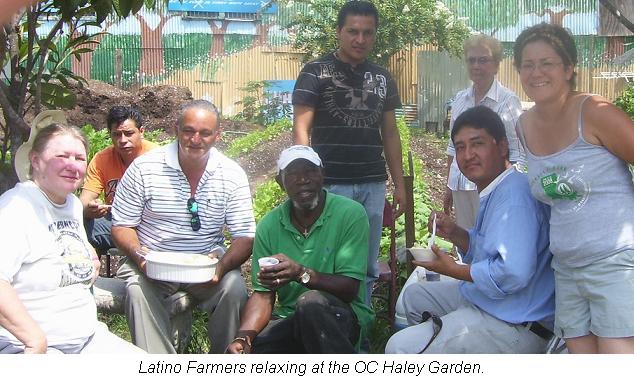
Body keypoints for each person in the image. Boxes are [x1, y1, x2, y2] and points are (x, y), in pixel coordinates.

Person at [385, 106, 554, 353]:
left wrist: (454, 270)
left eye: (477, 144)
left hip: (515, 323)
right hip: (496, 301)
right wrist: (456, 234)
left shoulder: (514, 197)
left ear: (503, 146)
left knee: (398, 347)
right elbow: (491, 250)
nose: (467, 155)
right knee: (414, 298)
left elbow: (514, 273)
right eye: (460, 147)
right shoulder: (497, 188)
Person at [514, 23, 634, 354]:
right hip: (566, 268)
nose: (536, 72)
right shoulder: (523, 126)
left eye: (547, 63)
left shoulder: (594, 112)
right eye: (527, 64)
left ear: (569, 68)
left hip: (615, 262)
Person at [111, 100, 256, 354]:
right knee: (136, 290)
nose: (195, 139)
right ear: (176, 130)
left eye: (205, 133)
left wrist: (221, 267)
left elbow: (244, 236)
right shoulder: (145, 168)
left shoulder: (231, 174)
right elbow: (122, 225)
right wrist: (140, 254)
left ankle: (226, 364)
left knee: (233, 287)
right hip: (152, 267)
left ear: (217, 136)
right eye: (188, 131)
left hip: (205, 269)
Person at [292, 0, 405, 304]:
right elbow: (301, 129)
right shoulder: (315, 72)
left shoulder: (383, 78)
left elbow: (391, 134)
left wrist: (401, 185)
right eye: (353, 31)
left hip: (372, 182)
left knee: (366, 266)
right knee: (325, 262)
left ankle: (361, 333)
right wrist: (304, 179)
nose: (360, 39)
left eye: (368, 33)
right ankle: (322, 328)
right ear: (340, 32)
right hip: (330, 183)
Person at [0, 122, 142, 354]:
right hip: (30, 347)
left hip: (87, 338)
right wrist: (34, 340)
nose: (72, 165)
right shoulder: (16, 207)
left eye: (79, 158)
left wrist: (88, 255)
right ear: (35, 161)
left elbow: (61, 244)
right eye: (62, 156)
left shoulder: (71, 204)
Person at [226, 145, 374, 354]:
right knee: (254, 350)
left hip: (340, 316)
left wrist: (301, 274)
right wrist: (244, 336)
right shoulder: (269, 225)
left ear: (322, 174)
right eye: (292, 173)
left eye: (310, 170)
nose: (302, 179)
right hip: (291, 318)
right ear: (280, 182)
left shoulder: (350, 214)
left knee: (311, 302)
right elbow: (263, 295)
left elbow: (349, 289)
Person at [444, 34, 523, 230]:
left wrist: (504, 192)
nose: (476, 66)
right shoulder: (460, 100)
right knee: (466, 242)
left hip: (493, 189)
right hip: (461, 187)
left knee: (491, 240)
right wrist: (448, 186)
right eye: (471, 60)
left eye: (483, 60)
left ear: (496, 65)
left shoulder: (508, 102)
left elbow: (516, 153)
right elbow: (453, 149)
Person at [80, 106, 157, 254]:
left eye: (128, 134)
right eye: (116, 135)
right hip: (115, 222)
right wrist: (90, 208)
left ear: (141, 132)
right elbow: (83, 202)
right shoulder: (101, 160)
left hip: (150, 223)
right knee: (76, 226)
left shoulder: (157, 157)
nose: (122, 140)